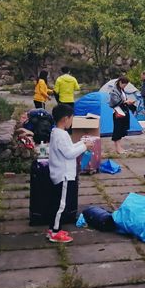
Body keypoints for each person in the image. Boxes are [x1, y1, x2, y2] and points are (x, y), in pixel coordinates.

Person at [48, 104, 93, 243]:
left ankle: (53, 228)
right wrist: (85, 146)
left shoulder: (58, 133)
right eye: (72, 118)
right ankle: (55, 232)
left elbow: (69, 148)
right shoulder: (60, 135)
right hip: (63, 175)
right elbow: (69, 154)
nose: (72, 121)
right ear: (65, 119)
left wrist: (81, 143)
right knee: (61, 205)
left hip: (61, 173)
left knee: (58, 203)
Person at [109, 76, 135, 154]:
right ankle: (117, 148)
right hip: (117, 112)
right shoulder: (114, 91)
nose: (125, 86)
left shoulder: (121, 90)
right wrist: (126, 102)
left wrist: (128, 102)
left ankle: (119, 147)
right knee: (117, 130)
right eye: (124, 85)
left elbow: (123, 100)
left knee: (121, 130)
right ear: (120, 82)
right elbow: (115, 101)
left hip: (123, 111)